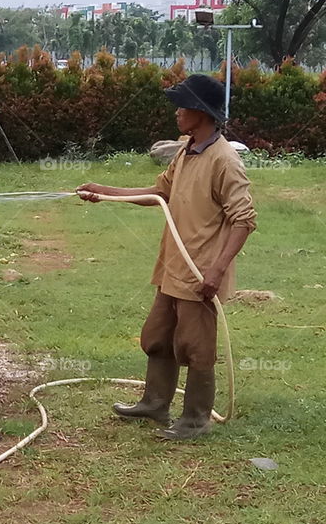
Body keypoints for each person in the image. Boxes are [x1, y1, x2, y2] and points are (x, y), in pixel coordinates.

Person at [79, 74, 257, 440]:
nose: (176, 112)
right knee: (157, 337)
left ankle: (195, 419)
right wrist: (105, 192)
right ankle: (156, 403)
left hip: (200, 271)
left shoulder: (224, 160)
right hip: (173, 265)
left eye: (182, 105)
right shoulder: (186, 149)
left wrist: (217, 270)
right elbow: (159, 192)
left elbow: (244, 219)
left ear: (201, 112)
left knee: (195, 347)